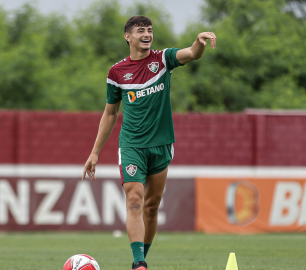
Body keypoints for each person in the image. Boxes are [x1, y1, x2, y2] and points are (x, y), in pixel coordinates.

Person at [82, 15, 216, 270]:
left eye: (150, 30)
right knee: (134, 200)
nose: (147, 34)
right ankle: (139, 264)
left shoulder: (163, 59)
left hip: (162, 144)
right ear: (128, 37)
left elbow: (191, 54)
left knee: (151, 207)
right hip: (131, 145)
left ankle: (143, 256)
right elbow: (110, 113)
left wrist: (199, 42)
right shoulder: (116, 72)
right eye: (141, 30)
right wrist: (94, 152)